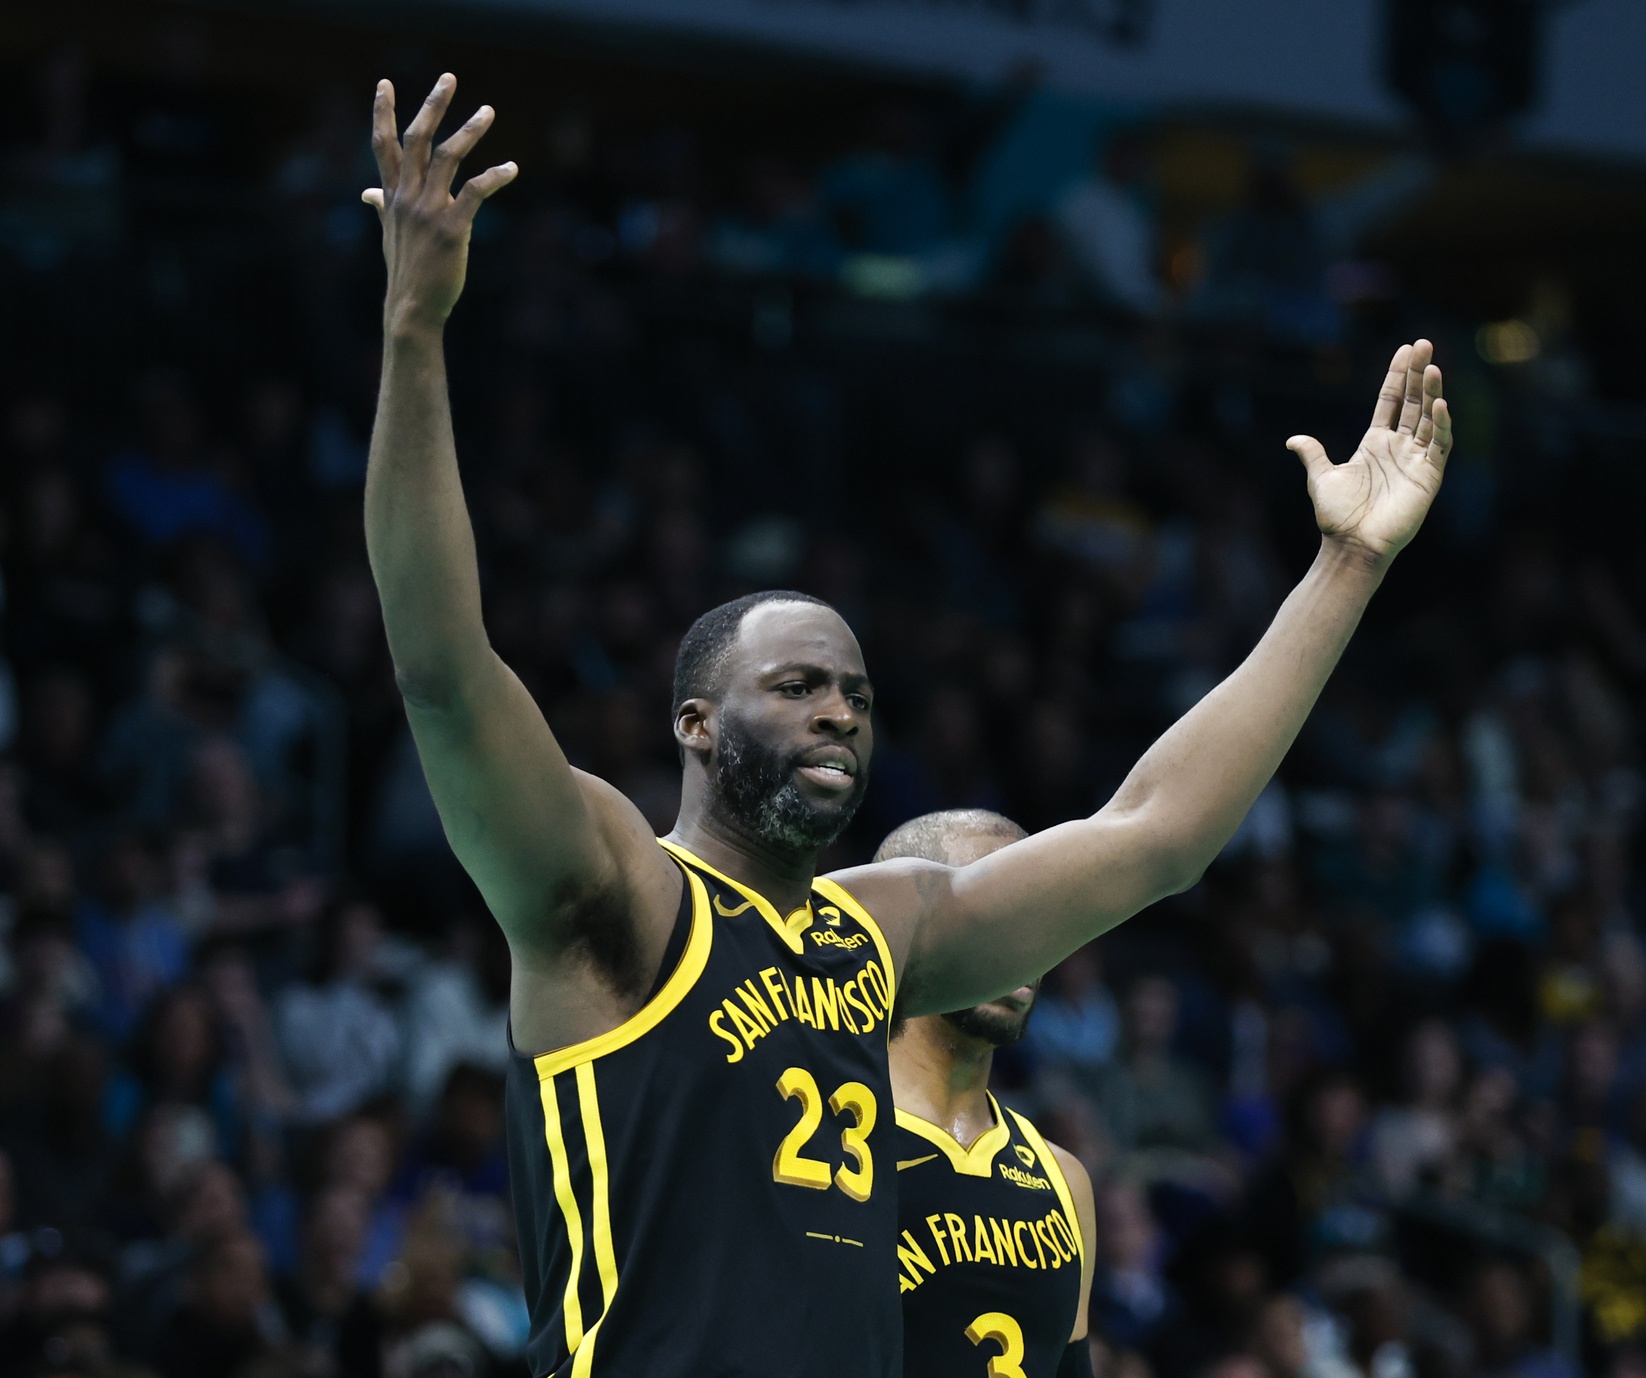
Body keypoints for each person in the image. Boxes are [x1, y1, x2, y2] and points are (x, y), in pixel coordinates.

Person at [359, 72, 1453, 1378]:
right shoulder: (617, 896)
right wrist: (414, 333)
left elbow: (1156, 834)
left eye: (859, 693)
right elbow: (440, 663)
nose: (838, 708)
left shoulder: (876, 934)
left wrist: (1342, 569)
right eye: (798, 684)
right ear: (696, 724)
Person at [878, 809, 1096, 1378]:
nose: (1025, 939)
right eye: (993, 905)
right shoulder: (819, 1137)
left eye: (1039, 913)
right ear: (903, 924)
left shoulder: (1063, 1181)